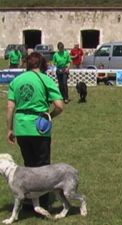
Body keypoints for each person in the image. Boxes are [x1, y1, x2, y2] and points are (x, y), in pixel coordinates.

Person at [6, 52, 64, 208]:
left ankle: (28, 199)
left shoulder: (16, 81)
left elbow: (10, 107)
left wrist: (9, 129)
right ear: (42, 64)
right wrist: (50, 116)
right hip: (39, 127)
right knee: (43, 166)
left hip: (21, 127)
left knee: (29, 165)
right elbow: (59, 105)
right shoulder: (45, 80)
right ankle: (43, 202)